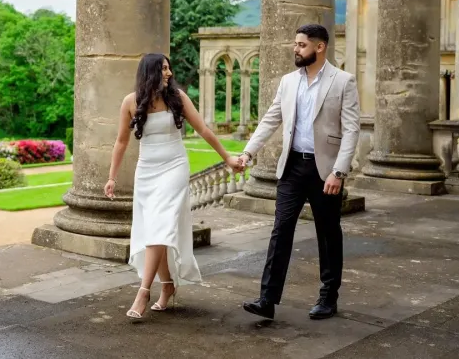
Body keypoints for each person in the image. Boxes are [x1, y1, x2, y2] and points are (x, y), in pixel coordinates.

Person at [103, 53, 242, 322]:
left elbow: (203, 129)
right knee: (157, 229)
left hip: (174, 167)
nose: (168, 73)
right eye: (163, 69)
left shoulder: (177, 97)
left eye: (169, 68)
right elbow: (121, 142)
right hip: (147, 171)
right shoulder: (130, 102)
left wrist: (227, 158)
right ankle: (167, 286)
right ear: (150, 72)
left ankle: (143, 292)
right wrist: (112, 177)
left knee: (159, 226)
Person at [238, 23, 360, 321]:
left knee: (328, 234)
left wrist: (339, 171)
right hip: (292, 166)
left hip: (325, 171)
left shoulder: (343, 81)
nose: (296, 48)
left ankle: (328, 298)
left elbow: (351, 129)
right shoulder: (288, 81)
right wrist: (248, 151)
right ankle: (267, 299)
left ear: (320, 47)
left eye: (302, 44)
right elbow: (271, 119)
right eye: (295, 43)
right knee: (280, 231)